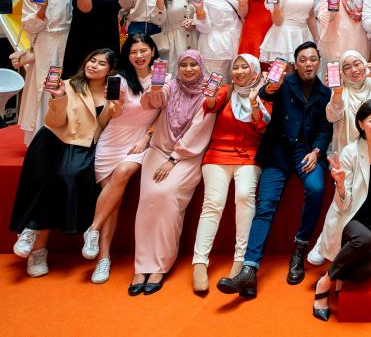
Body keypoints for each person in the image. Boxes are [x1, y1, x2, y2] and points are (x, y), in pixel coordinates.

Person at [217, 41, 332, 297]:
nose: (308, 64)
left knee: (316, 188)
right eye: (303, 59)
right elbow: (266, 95)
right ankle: (249, 269)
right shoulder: (282, 83)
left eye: (313, 59)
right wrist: (268, 88)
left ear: (319, 62)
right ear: (295, 63)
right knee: (265, 205)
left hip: (306, 152)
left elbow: (325, 129)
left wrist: (316, 151)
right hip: (279, 150)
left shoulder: (325, 92)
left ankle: (299, 250)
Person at [9, 49, 115, 278]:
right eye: (91, 60)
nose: (94, 65)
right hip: (53, 141)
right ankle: (36, 246)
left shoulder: (113, 93)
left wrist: (113, 103)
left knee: (66, 175)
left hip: (82, 147)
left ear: (111, 70)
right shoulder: (67, 84)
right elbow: (53, 121)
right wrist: (58, 97)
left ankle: (32, 230)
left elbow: (104, 126)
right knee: (50, 173)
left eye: (101, 63)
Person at [130, 50, 222, 296]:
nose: (189, 69)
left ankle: (160, 264)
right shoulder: (170, 85)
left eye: (194, 65)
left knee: (168, 196)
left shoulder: (207, 93)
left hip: (186, 156)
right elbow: (152, 103)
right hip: (158, 150)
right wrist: (156, 88)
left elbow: (198, 131)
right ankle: (141, 266)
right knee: (148, 198)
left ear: (200, 66)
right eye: (184, 65)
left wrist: (173, 159)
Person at [81, 34, 164, 284]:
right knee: (113, 201)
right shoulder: (119, 80)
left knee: (124, 172)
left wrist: (147, 137)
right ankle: (103, 258)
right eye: (133, 52)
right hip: (112, 140)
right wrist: (110, 108)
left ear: (152, 51)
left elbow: (164, 115)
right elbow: (105, 120)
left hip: (139, 141)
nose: (139, 56)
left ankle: (93, 229)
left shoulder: (164, 79)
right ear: (127, 56)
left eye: (143, 50)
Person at [191, 54, 270, 293]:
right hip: (217, 154)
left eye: (245, 66)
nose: (239, 71)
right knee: (213, 203)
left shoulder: (265, 95)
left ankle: (240, 261)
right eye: (235, 67)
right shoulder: (226, 90)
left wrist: (255, 101)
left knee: (245, 197)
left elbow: (262, 125)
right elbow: (211, 105)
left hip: (249, 156)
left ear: (255, 71)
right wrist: (210, 96)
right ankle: (199, 263)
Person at [311, 100, 371, 322]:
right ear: (361, 124)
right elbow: (342, 205)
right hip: (350, 217)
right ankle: (325, 283)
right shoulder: (351, 152)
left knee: (364, 271)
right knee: (363, 240)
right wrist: (339, 185)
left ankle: (340, 275)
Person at [12, 0, 72, 145]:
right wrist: (42, 8)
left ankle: (67, 135)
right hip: (45, 44)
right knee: (44, 87)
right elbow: (29, 25)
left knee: (67, 86)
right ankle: (41, 139)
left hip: (69, 41)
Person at [325, 50, 371, 155]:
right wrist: (337, 91)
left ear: (365, 65)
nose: (354, 70)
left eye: (357, 64)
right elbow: (332, 117)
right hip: (347, 149)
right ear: (342, 72)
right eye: (347, 67)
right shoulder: (341, 89)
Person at [194, 0, 247, 81]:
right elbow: (204, 29)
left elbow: (243, 16)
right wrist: (199, 9)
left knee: (237, 86)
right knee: (215, 90)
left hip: (236, 45)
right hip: (214, 51)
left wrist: (242, 1)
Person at [150, 0, 198, 73]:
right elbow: (157, 20)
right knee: (175, 77)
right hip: (172, 45)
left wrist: (194, 21)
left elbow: (202, 13)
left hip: (195, 41)